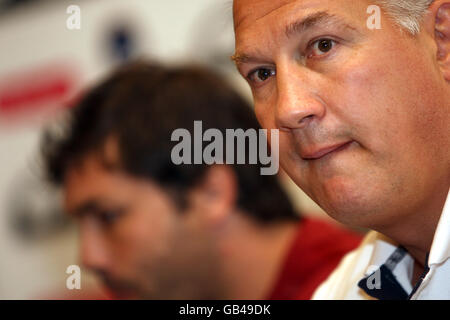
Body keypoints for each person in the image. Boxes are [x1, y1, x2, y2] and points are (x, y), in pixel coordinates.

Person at [41, 62, 361, 300]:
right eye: (79, 224)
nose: (88, 257)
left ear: (212, 193)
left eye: (109, 216)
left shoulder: (354, 290)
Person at [232, 0, 450, 299]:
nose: (289, 108)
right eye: (262, 74)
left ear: (442, 39)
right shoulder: (341, 290)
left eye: (323, 46)